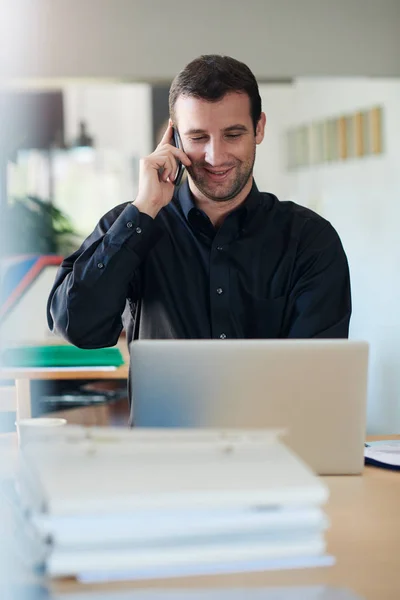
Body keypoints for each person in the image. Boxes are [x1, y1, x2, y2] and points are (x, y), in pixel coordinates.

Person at [47, 55, 351, 369]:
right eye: (198, 137)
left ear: (258, 128)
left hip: (272, 420)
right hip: (164, 420)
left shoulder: (310, 240)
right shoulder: (134, 223)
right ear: (175, 136)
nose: (215, 156)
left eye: (233, 135)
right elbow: (77, 326)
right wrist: (144, 210)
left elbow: (316, 372)